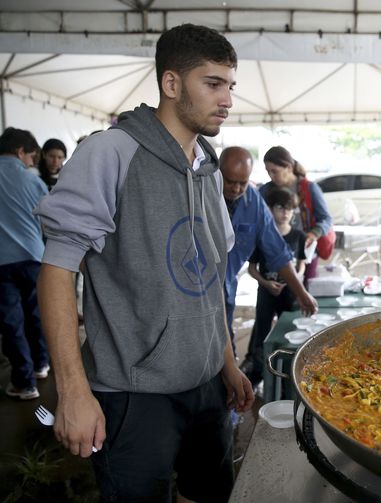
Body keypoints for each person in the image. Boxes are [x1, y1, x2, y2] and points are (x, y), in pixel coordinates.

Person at [35, 24, 251, 503]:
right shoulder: (110, 152)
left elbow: (210, 273)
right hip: (134, 392)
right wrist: (72, 391)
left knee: (209, 493)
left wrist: (227, 362)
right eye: (213, 84)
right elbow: (57, 269)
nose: (228, 99)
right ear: (171, 84)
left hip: (207, 387)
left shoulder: (209, 169)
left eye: (230, 86)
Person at [218, 145, 316, 359]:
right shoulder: (200, 194)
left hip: (226, 287)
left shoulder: (253, 201)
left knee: (225, 349)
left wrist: (301, 293)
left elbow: (277, 251)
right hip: (195, 290)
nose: (236, 189)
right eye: (230, 181)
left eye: (242, 183)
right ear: (218, 173)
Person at [0, 127, 49, 401]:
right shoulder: (34, 181)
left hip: (2, 262)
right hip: (35, 257)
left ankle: (24, 382)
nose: (32, 162)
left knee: (11, 322)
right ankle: (42, 364)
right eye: (31, 156)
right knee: (36, 313)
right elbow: (48, 220)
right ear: (20, 151)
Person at [244, 187, 307, 386]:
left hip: (290, 296)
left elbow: (302, 262)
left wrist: (295, 279)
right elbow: (252, 268)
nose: (285, 213)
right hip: (266, 294)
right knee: (261, 334)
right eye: (280, 208)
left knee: (291, 332)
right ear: (269, 209)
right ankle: (256, 376)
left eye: (289, 209)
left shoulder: (298, 235)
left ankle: (288, 375)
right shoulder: (261, 236)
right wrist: (265, 283)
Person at [261, 145, 333, 285]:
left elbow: (326, 218)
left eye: (274, 171)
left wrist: (313, 234)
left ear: (288, 167)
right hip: (274, 252)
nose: (271, 176)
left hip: (305, 251)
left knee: (304, 292)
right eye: (268, 172)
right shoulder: (265, 190)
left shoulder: (309, 188)